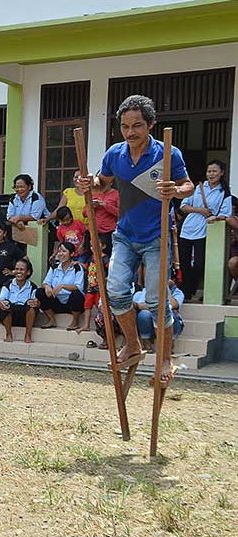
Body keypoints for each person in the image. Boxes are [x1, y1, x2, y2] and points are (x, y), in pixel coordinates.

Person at [77, 94, 193, 380]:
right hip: (125, 235)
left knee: (156, 301)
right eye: (126, 126)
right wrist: (86, 183)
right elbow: (101, 183)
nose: (131, 132)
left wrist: (176, 192)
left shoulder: (168, 153)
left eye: (137, 126)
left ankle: (165, 360)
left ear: (150, 124)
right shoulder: (115, 154)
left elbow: (188, 185)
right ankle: (132, 344)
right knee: (114, 292)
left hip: (157, 237)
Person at [178, 160, 232, 301]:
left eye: (214, 171)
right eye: (209, 171)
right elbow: (184, 206)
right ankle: (186, 292)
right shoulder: (198, 188)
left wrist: (215, 217)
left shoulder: (224, 192)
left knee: (199, 263)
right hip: (187, 228)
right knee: (184, 262)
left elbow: (226, 214)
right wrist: (199, 210)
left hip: (205, 230)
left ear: (222, 173)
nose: (211, 174)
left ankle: (191, 288)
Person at [35, 241, 85, 330]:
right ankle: (51, 320)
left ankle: (75, 321)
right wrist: (47, 287)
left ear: (72, 254)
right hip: (57, 301)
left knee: (76, 294)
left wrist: (62, 286)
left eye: (64, 251)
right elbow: (45, 282)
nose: (60, 254)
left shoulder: (77, 267)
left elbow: (79, 287)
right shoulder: (54, 267)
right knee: (40, 292)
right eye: (59, 251)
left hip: (71, 303)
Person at [133, 278, 184, 352]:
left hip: (169, 322)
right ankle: (146, 342)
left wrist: (166, 288)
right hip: (152, 322)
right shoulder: (146, 290)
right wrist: (159, 306)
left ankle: (169, 344)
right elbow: (141, 306)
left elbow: (172, 305)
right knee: (144, 314)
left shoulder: (178, 293)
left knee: (170, 314)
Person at [0, 258, 39, 343]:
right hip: (10, 315)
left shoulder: (33, 287)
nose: (18, 272)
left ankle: (28, 335)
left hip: (25, 316)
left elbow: (35, 302)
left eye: (22, 269)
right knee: (4, 304)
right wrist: (1, 303)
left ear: (28, 272)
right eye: (16, 269)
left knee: (31, 305)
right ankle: (8, 334)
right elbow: (0, 300)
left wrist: (35, 303)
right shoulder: (7, 284)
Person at [82, 185, 119, 257]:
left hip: (108, 232)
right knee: (90, 257)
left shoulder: (116, 194)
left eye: (104, 183)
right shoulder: (93, 194)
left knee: (109, 257)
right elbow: (84, 214)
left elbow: (120, 213)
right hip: (93, 232)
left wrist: (105, 205)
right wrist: (91, 206)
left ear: (111, 182)